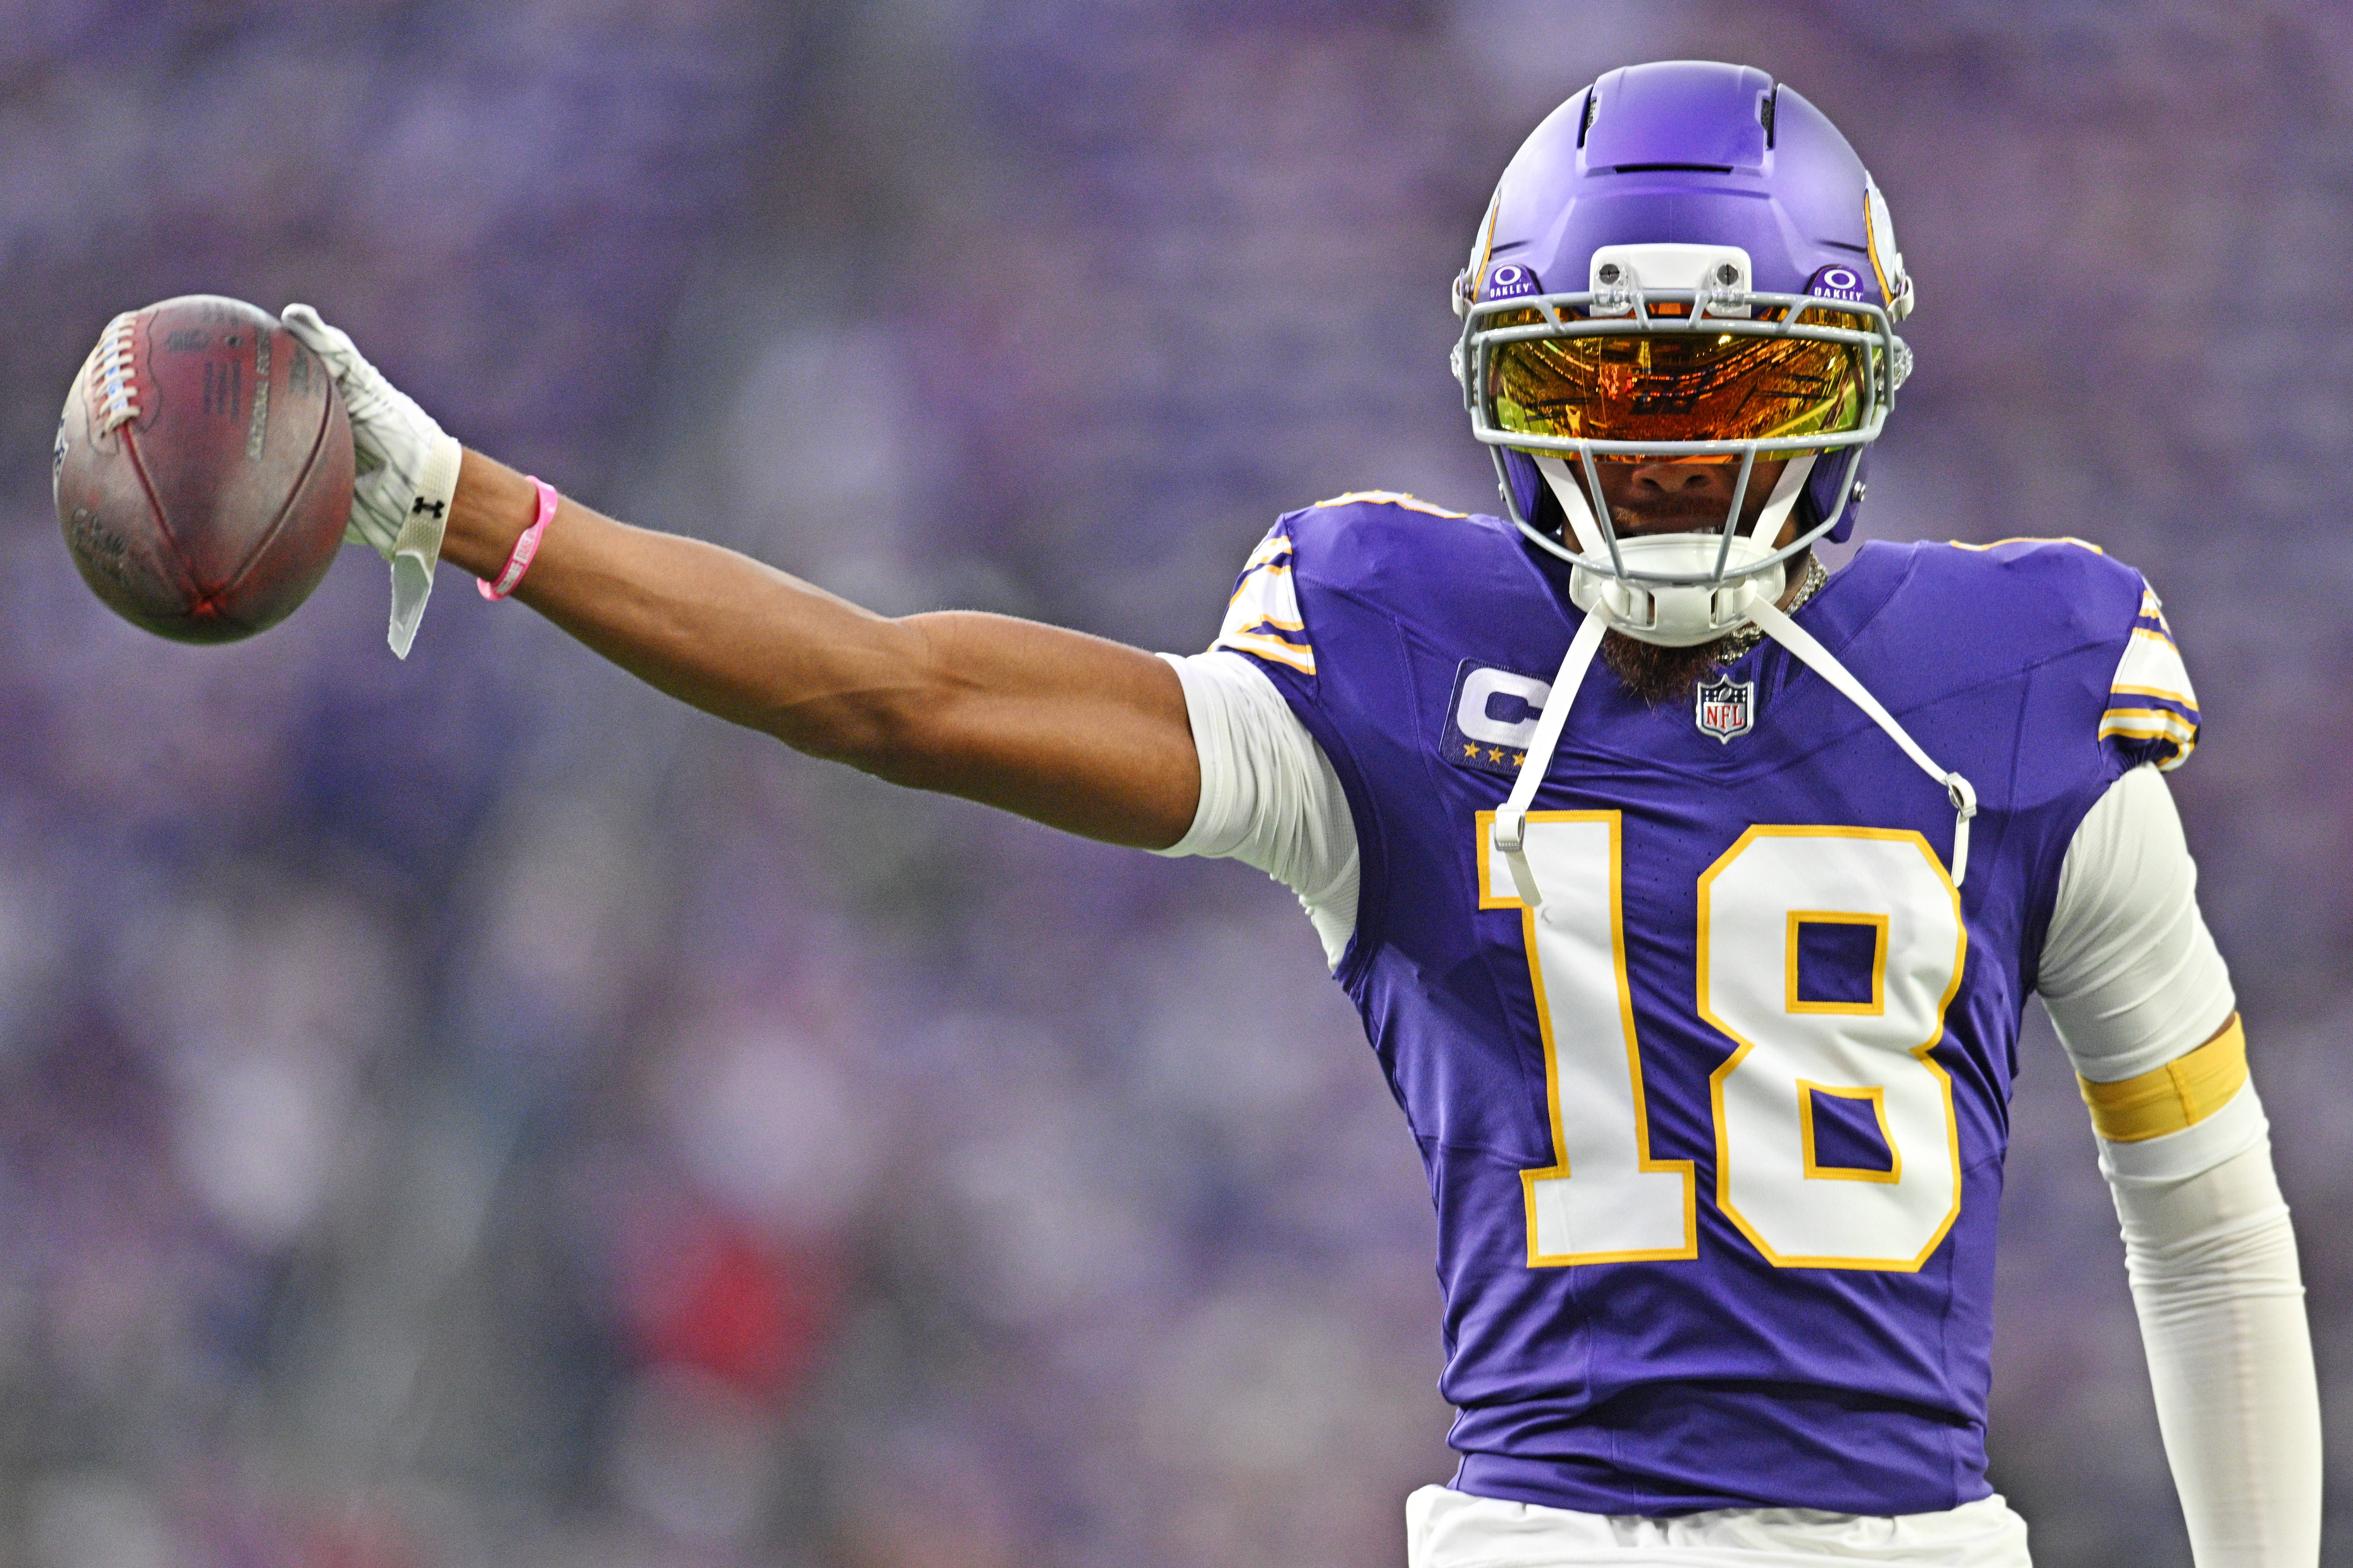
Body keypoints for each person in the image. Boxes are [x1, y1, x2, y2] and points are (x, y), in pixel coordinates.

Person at [284, 58, 2319, 1568]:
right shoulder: (1394, 655)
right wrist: (483, 508)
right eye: (1609, 395)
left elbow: (2210, 1220)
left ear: (1852, 383)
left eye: (1736, 394)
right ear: (1506, 388)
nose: (1673, 466)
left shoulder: (2020, 681)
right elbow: (900, 695)